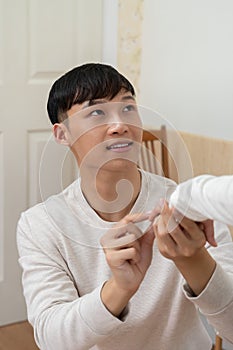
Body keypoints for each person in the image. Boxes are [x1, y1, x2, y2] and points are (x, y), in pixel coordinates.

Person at [17, 63, 233, 350]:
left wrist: (193, 260)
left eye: (128, 108)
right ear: (62, 134)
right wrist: (119, 288)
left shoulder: (191, 211)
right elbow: (52, 339)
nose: (120, 125)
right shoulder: (40, 225)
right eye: (96, 112)